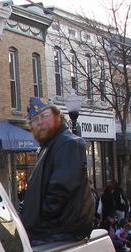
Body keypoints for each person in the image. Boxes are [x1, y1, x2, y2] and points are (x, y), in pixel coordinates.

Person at [20, 97, 94, 244]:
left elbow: (60, 191)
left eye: (44, 116)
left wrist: (39, 222)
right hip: (52, 232)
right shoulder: (49, 147)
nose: (40, 122)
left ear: (57, 117)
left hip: (58, 234)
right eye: (35, 120)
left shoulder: (68, 143)